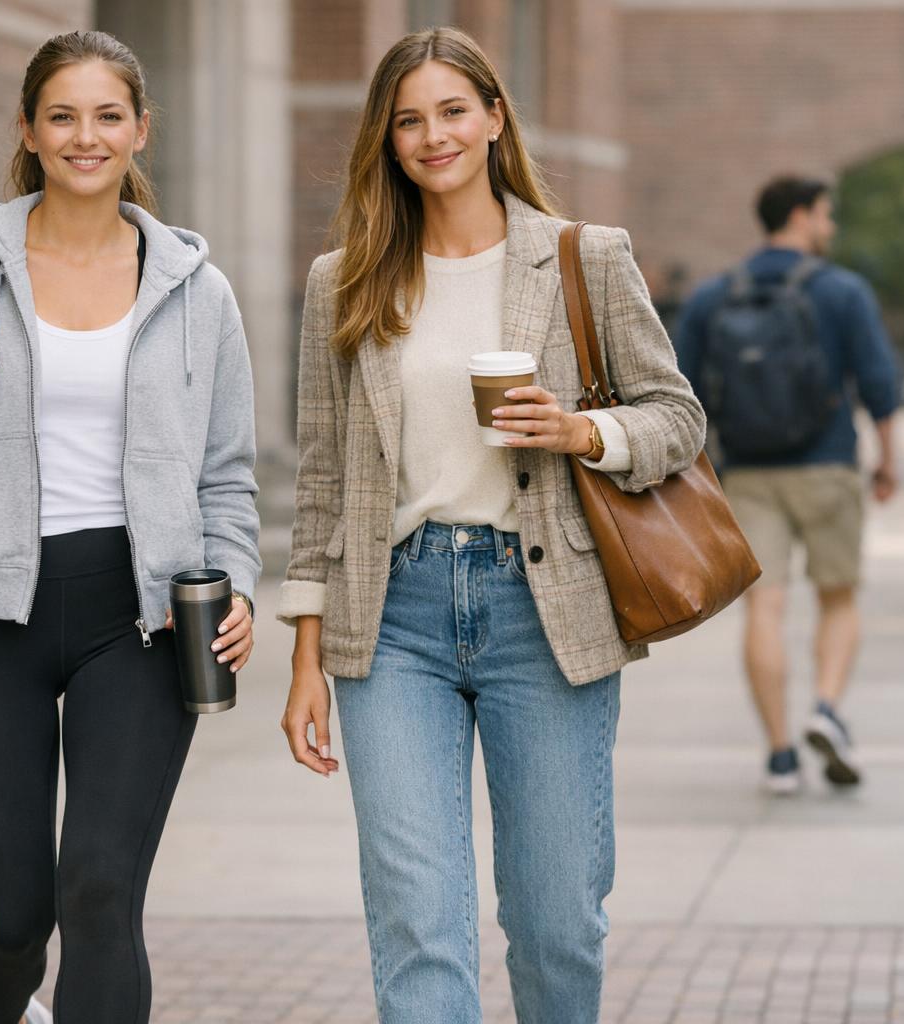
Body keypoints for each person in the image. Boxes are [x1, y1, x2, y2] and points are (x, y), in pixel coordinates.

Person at [0, 31, 260, 1024]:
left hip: (142, 621)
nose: (85, 136)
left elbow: (226, 473)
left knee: (102, 892)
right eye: (62, 114)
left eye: (108, 115)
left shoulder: (198, 290)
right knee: (11, 919)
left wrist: (233, 579)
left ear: (141, 129)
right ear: (27, 128)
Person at [277, 27, 705, 1024]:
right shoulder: (344, 280)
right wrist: (307, 653)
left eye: (453, 111)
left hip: (544, 608)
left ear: (496, 116)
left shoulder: (581, 259)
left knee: (558, 922)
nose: (434, 136)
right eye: (409, 119)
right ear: (386, 139)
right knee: (417, 922)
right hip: (393, 617)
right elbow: (324, 480)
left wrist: (579, 429)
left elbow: (677, 417)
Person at [675, 175, 901, 796]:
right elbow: (880, 384)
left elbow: (676, 391)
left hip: (745, 472)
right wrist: (888, 461)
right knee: (838, 597)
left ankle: (779, 755)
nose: (829, 227)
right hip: (827, 465)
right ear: (801, 216)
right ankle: (825, 709)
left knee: (765, 609)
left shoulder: (714, 296)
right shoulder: (843, 291)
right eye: (825, 216)